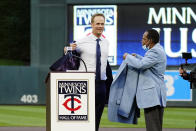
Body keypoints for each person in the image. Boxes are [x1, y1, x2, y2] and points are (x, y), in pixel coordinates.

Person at [65, 13, 113, 131]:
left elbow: (105, 64)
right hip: (85, 84)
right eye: (97, 23)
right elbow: (69, 56)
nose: (100, 26)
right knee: (83, 118)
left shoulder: (106, 42)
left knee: (97, 118)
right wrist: (67, 50)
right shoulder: (81, 42)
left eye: (102, 24)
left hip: (101, 84)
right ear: (92, 24)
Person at [122, 29, 167, 131]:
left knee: (153, 127)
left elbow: (141, 65)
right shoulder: (157, 49)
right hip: (156, 94)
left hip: (153, 95)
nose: (142, 40)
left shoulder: (154, 51)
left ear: (150, 40)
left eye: (144, 38)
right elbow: (148, 63)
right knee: (156, 126)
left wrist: (128, 57)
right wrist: (137, 56)